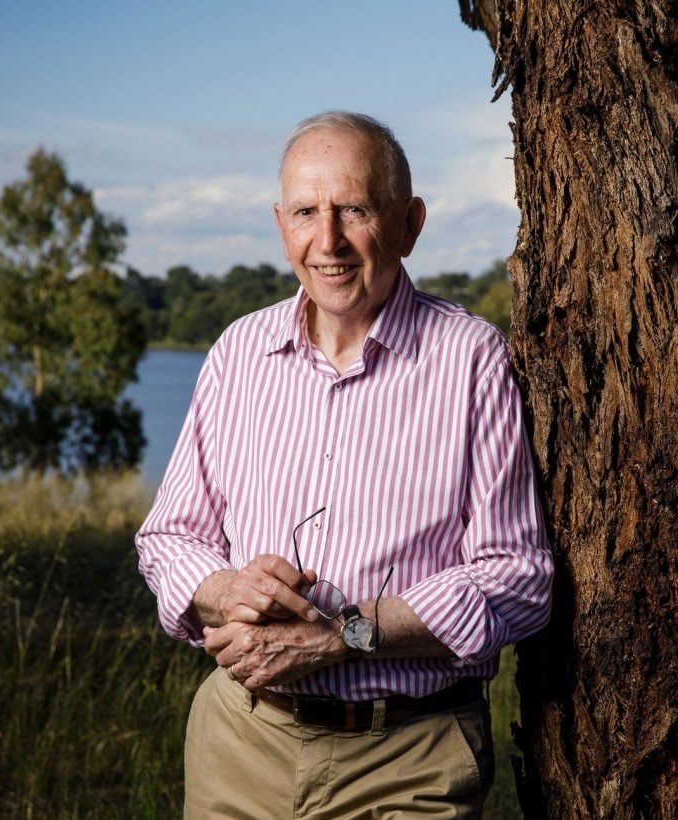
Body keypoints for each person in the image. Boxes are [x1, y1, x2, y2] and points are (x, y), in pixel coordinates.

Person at [136, 111, 554, 819]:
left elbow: (518, 579)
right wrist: (229, 591)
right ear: (281, 225)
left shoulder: (472, 360)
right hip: (240, 743)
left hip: (410, 757)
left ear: (409, 224)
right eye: (306, 212)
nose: (327, 241)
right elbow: (170, 537)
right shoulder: (239, 353)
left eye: (353, 210)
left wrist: (343, 634)